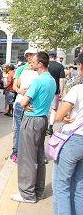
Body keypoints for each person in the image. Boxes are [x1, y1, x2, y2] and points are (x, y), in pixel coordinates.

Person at [11, 51, 56, 203]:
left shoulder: (38, 80)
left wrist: (25, 103)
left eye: (33, 62)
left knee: (27, 158)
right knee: (39, 156)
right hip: (43, 119)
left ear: (40, 64)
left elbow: (23, 102)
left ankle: (27, 194)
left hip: (31, 120)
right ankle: (38, 190)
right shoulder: (51, 80)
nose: (31, 64)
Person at [52, 52, 83, 215]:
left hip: (74, 141)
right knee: (79, 187)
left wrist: (64, 116)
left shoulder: (78, 89)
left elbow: (58, 116)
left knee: (61, 186)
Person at [10, 48, 38, 163]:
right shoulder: (21, 69)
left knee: (27, 129)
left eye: (31, 55)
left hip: (29, 104)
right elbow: (14, 86)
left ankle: (21, 152)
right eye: (27, 55)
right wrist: (19, 90)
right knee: (18, 129)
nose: (29, 57)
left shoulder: (38, 71)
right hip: (20, 102)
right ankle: (15, 151)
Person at [47, 51, 65, 135]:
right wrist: (61, 91)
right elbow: (61, 80)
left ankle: (43, 126)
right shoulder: (60, 66)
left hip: (45, 90)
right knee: (54, 109)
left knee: (45, 108)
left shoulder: (45, 65)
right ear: (55, 57)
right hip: (55, 91)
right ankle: (50, 127)